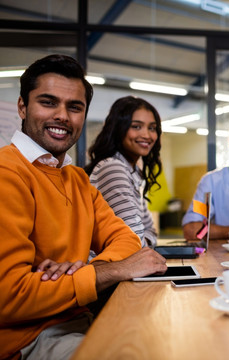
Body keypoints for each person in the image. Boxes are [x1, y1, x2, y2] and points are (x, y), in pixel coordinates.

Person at [0, 54, 167, 360]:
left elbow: (128, 240)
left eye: (74, 107)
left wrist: (84, 271)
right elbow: (9, 296)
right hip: (28, 340)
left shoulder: (76, 179)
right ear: (22, 107)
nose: (62, 116)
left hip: (79, 318)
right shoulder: (6, 172)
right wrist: (108, 272)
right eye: (48, 102)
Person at [85, 96, 162, 249]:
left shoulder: (132, 172)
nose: (147, 135)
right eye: (136, 126)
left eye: (152, 128)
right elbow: (135, 243)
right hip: (104, 267)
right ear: (118, 129)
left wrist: (145, 239)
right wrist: (145, 240)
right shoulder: (113, 168)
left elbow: (151, 231)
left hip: (124, 265)